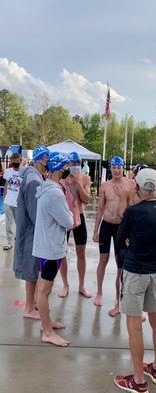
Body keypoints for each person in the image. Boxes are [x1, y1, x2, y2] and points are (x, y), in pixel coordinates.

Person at [114, 168, 156, 393]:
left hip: (136, 270)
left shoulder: (132, 212)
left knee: (134, 322)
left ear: (137, 187)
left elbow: (120, 242)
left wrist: (131, 243)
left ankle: (138, 380)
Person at [33, 152, 73, 347]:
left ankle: (46, 323)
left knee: (42, 287)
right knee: (44, 291)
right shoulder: (55, 193)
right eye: (66, 167)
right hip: (51, 248)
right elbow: (69, 222)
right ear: (59, 169)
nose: (68, 170)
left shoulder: (45, 187)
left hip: (45, 245)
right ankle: (47, 332)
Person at [93, 156, 135, 316]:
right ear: (110, 168)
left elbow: (132, 207)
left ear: (123, 168)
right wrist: (96, 230)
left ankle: (118, 299)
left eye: (119, 167)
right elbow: (100, 209)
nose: (116, 170)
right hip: (107, 225)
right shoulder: (105, 185)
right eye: (114, 167)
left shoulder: (130, 184)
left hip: (122, 228)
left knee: (120, 264)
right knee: (103, 259)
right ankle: (99, 292)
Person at [13, 146, 50, 319]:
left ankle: (32, 304)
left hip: (29, 230)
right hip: (31, 233)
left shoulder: (31, 175)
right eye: (48, 159)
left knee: (33, 268)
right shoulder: (34, 180)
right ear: (42, 159)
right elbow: (36, 214)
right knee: (31, 269)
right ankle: (29, 308)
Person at [58, 152, 92, 299]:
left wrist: (78, 183)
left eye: (77, 163)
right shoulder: (61, 179)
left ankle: (81, 285)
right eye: (72, 163)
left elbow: (87, 200)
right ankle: (65, 284)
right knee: (62, 253)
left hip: (80, 216)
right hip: (65, 217)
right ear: (68, 164)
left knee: (81, 253)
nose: (75, 166)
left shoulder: (85, 178)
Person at [3, 153, 22, 250]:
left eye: (17, 161)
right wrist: (5, 196)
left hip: (18, 203)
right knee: (8, 223)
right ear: (11, 161)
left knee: (19, 223)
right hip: (8, 202)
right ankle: (9, 242)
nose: (15, 162)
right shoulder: (8, 171)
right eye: (13, 161)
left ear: (20, 161)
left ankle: (18, 240)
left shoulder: (23, 172)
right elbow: (6, 184)